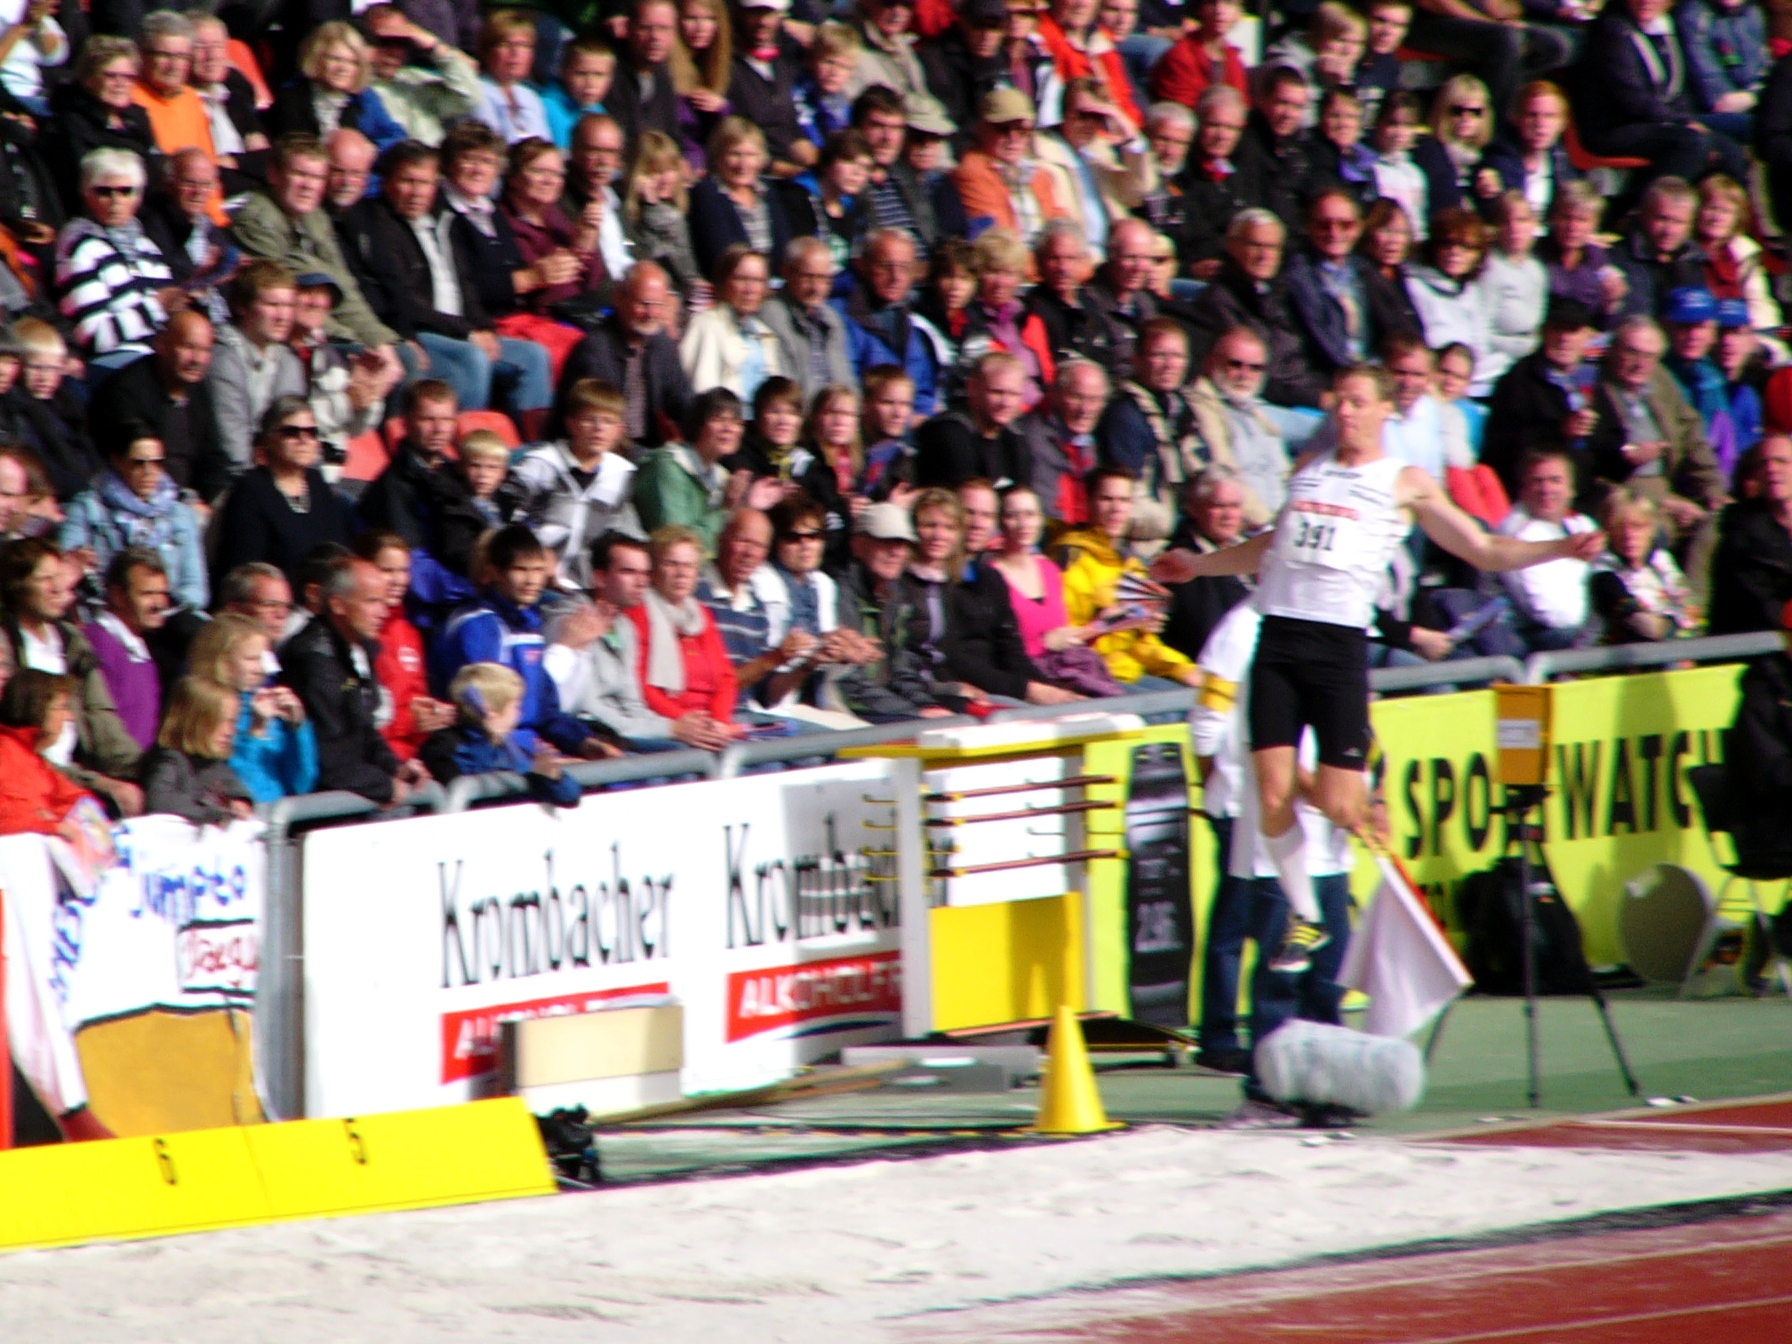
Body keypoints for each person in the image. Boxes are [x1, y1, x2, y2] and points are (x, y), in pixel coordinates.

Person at [1151, 364, 1604, 972]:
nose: (1344, 412)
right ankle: (1306, 916)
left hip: (1338, 649)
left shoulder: (1405, 481)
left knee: (1341, 806)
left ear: (1386, 410)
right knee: (1273, 793)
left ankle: (1375, 844)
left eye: (1358, 402)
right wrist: (1197, 567)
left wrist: (1560, 546)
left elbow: (1483, 549)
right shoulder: (1309, 472)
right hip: (1278, 637)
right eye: (1338, 401)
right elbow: (1268, 546)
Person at [344, 139, 553, 422]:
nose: (417, 192)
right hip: (424, 331)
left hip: (459, 328)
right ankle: (466, 445)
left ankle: (532, 443)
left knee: (534, 356)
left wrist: (483, 327)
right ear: (386, 182)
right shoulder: (379, 226)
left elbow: (465, 284)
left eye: (426, 183)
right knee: (472, 358)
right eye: (408, 181)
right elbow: (404, 301)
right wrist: (467, 332)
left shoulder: (444, 219)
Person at [231, 133, 403, 379]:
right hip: (287, 336)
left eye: (317, 177)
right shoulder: (258, 221)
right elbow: (288, 303)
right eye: (300, 175)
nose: (309, 185)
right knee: (371, 365)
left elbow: (345, 287)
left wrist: (379, 340)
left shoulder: (316, 217)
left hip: (326, 329)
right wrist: (356, 340)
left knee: (401, 357)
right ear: (274, 175)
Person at [545, 530, 734, 750]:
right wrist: (671, 729)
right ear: (600, 578)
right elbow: (585, 708)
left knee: (703, 748)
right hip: (581, 734)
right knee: (684, 754)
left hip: (618, 731)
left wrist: (681, 727)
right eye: (629, 572)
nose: (642, 582)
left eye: (645, 573)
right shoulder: (570, 620)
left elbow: (633, 705)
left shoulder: (624, 627)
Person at [1, 536, 145, 816]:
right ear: (18, 587)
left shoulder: (72, 642)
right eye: (45, 579)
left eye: (59, 577)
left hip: (75, 772)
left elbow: (101, 717)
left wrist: (144, 768)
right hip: (27, 777)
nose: (58, 589)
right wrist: (98, 783)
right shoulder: (5, 643)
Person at [1586, 314, 1728, 590]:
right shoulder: (1594, 386)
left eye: (1650, 356)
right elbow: (1593, 464)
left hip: (1666, 487)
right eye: (1633, 353)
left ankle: (1693, 610)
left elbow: (1691, 434)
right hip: (1621, 494)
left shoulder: (1660, 379)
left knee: (1721, 521)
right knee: (1660, 530)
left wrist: (1712, 488)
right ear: (1614, 350)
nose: (1641, 364)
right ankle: (1686, 611)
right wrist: (1663, 502)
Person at [281, 556, 431, 804]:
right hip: (318, 808)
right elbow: (330, 759)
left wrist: (396, 768)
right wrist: (384, 786)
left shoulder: (358, 647)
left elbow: (363, 729)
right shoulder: (313, 660)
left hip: (354, 794)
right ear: (338, 604)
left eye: (384, 602)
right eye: (372, 601)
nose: (383, 612)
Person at [1056, 465, 1204, 690]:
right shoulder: (1071, 558)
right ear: (1088, 503)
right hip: (1091, 674)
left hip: (1128, 669)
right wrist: (1105, 624)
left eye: (1124, 500)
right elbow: (1065, 640)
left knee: (1203, 698)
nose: (1116, 509)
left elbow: (1144, 644)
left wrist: (1184, 669)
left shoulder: (1132, 565)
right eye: (1107, 499)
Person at [1579, 0, 1749, 185]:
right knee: (1692, 143)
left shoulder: (1665, 29)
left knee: (1731, 151)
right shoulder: (1612, 31)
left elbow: (1677, 90)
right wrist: (1682, 122)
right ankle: (1647, 208)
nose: (1646, 2)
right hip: (1617, 127)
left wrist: (1685, 119)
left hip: (1660, 120)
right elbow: (1633, 99)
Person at [987, 481, 1122, 695]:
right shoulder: (991, 575)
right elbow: (995, 651)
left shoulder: (1049, 569)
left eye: (1030, 514)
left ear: (1041, 519)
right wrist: (1043, 644)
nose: (1024, 524)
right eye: (1014, 515)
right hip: (1029, 680)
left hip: (1068, 669)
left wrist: (1100, 625)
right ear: (1001, 522)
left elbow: (1064, 634)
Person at [1185, 209, 1323, 411]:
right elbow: (1250, 374)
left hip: (1304, 392)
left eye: (1272, 247)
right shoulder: (1217, 301)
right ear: (1232, 246)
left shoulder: (1283, 294)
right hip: (1261, 402)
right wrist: (1316, 398)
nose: (1264, 255)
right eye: (1256, 245)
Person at [210, 397, 356, 588]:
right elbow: (244, 570)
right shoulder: (250, 491)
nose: (303, 440)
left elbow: (339, 553)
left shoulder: (317, 484)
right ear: (269, 439)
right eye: (291, 432)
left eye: (311, 432)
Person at [514, 378, 643, 593]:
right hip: (533, 582)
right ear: (571, 424)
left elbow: (614, 532)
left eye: (608, 421)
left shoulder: (622, 474)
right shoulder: (541, 463)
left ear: (619, 430)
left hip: (586, 588)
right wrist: (536, 550)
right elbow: (505, 520)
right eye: (590, 419)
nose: (599, 428)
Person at [60, 428, 208, 612]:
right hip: (108, 614)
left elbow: (196, 588)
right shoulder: (87, 508)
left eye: (157, 463)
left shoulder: (181, 515)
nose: (149, 472)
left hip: (166, 618)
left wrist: (163, 609)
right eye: (139, 463)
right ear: (117, 461)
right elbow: (67, 572)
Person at [89, 312, 229, 503]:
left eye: (205, 350)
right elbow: (137, 468)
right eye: (188, 347)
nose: (197, 359)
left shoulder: (198, 390)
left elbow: (213, 457)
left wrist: (219, 502)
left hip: (193, 503)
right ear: (161, 345)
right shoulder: (127, 391)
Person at [55, 146, 177, 365]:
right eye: (104, 191)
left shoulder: (147, 247)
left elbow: (171, 311)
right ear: (87, 193)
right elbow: (92, 337)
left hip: (157, 359)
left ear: (138, 196)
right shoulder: (81, 247)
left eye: (125, 191)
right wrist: (155, 307)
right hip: (115, 364)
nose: (115, 200)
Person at [835, 502, 954, 721]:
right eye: (885, 542)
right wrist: (913, 713)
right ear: (857, 545)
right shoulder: (841, 596)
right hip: (850, 712)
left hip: (887, 705)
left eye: (903, 543)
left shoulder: (894, 594)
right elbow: (850, 684)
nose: (896, 551)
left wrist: (926, 704)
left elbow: (901, 669)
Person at [1285, 190, 1414, 392]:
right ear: (1309, 226)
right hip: (1328, 384)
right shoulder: (1296, 277)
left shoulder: (1367, 273)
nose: (1334, 233)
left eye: (1345, 225)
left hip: (1373, 379)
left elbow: (1399, 329)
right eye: (1324, 225)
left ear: (1359, 228)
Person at [184, 611, 318, 803]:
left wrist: (297, 728)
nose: (260, 668)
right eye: (250, 659)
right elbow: (238, 789)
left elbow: (301, 783)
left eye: (262, 659)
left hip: (279, 817)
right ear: (222, 660)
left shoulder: (262, 701)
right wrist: (255, 731)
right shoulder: (204, 705)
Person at [1095, 318, 1208, 546]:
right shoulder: (1125, 415)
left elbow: (1201, 467)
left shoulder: (1182, 409)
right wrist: (1173, 523)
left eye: (1177, 356)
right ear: (1137, 360)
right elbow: (1129, 500)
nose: (1169, 364)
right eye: (1159, 355)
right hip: (1143, 538)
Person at [354, 529, 453, 764]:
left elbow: (414, 699)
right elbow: (357, 718)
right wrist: (408, 722)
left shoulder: (409, 633)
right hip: (374, 761)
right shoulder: (356, 631)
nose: (398, 580)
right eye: (387, 570)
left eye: (404, 571)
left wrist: (431, 715)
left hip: (411, 759)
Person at [419, 661, 582, 804]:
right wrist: (486, 740)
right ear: (492, 711)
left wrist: (552, 777)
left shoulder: (513, 748)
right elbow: (462, 786)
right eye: (515, 706)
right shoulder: (442, 746)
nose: (520, 713)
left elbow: (570, 798)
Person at [208, 260, 308, 479]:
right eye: (272, 305)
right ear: (242, 307)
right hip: (232, 480)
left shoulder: (287, 361)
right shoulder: (224, 359)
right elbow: (233, 447)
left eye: (289, 306)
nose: (283, 316)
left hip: (278, 474)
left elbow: (294, 430)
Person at [1495, 448, 1599, 651]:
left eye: (1555, 480)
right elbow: (1552, 615)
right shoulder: (1519, 534)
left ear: (1571, 490)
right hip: (1538, 641)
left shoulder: (1582, 526)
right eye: (1537, 481)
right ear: (1523, 490)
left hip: (1578, 632)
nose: (1546, 489)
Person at [1186, 326, 1289, 528]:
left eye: (1255, 368)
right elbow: (1223, 475)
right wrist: (1270, 527)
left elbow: (1285, 473)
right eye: (1235, 365)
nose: (1245, 375)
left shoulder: (1257, 411)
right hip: (1247, 530)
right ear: (1210, 363)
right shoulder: (1200, 408)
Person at [838, 228, 944, 415]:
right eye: (885, 266)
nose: (895, 278)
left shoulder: (911, 322)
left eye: (904, 268)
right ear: (863, 265)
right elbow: (847, 386)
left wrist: (922, 416)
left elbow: (923, 389)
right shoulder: (840, 317)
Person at [633, 386, 745, 554]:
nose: (729, 428)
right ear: (698, 424)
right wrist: (725, 510)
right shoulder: (667, 465)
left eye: (736, 422)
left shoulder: (723, 478)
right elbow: (674, 543)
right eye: (719, 419)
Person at [81, 548, 171, 751]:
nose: (159, 604)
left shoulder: (139, 648)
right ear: (117, 595)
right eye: (147, 594)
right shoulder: (98, 644)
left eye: (163, 594)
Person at [950, 87, 1068, 243]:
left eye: (1022, 130)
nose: (1013, 138)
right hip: (1011, 262)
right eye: (1003, 129)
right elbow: (999, 240)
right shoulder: (972, 172)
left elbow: (1060, 225)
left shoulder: (1040, 175)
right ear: (981, 129)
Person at [268, 22, 406, 154]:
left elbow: (396, 137)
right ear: (317, 58)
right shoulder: (292, 98)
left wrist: (369, 149)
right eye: (335, 59)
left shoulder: (362, 99)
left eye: (352, 62)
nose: (342, 68)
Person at [363, 3, 483, 147]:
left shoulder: (416, 80)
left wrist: (434, 46)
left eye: (401, 42)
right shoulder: (357, 89)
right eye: (385, 42)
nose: (393, 52)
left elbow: (469, 98)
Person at [680, 245, 788, 403]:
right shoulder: (707, 325)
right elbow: (703, 393)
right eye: (742, 279)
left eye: (758, 281)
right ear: (724, 281)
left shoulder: (765, 334)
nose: (750, 289)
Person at [1589, 486, 1698, 643]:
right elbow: (1645, 627)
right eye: (1619, 526)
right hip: (1611, 660)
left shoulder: (1661, 561)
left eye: (1637, 526)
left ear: (1652, 529)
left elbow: (1692, 614)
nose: (1629, 535)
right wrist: (1675, 623)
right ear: (1607, 531)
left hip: (1668, 654)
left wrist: (1679, 624)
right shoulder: (1603, 574)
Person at [140, 675, 254, 823]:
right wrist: (214, 811)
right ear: (195, 722)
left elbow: (231, 784)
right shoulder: (168, 759)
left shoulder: (211, 761)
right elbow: (159, 801)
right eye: (221, 722)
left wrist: (240, 801)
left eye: (232, 722)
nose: (230, 731)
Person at [0, 670, 100, 838]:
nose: (70, 717)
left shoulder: (38, 761)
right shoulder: (5, 753)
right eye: (63, 707)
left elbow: (84, 803)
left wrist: (54, 817)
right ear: (39, 710)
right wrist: (49, 824)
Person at [1708, 434, 1792, 634]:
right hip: (1755, 650)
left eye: (1781, 461)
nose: (1771, 468)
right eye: (1764, 464)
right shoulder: (1742, 534)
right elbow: (1764, 606)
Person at [914, 350, 1032, 488]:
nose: (1005, 403)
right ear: (972, 388)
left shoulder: (1015, 438)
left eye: (1013, 394)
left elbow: (1021, 493)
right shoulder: (950, 432)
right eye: (997, 392)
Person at [763, 239, 858, 405]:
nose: (816, 288)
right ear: (786, 272)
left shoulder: (832, 318)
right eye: (808, 277)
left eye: (823, 278)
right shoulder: (772, 314)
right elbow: (784, 384)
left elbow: (845, 379)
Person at [1015, 355, 1106, 525]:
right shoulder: (1028, 437)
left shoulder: (1088, 441)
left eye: (1094, 400)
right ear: (1054, 394)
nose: (1085, 409)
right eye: (1076, 397)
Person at [1612, 177, 1710, 322]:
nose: (1669, 231)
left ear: (1690, 225)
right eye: (1662, 219)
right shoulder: (1617, 257)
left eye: (1678, 222)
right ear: (1643, 215)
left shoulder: (1695, 261)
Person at [608, 0, 682, 157]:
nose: (655, 37)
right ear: (628, 28)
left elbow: (673, 136)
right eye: (645, 28)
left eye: (663, 29)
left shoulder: (663, 76)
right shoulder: (610, 73)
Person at [471, 9, 551, 144]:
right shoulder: (476, 92)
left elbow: (545, 146)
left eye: (523, 45)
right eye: (505, 44)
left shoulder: (531, 97)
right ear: (486, 51)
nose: (515, 53)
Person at [669, 0, 732, 169]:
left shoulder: (719, 68)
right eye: (691, 18)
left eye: (710, 19)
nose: (700, 27)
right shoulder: (665, 69)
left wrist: (721, 109)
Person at [543, 36, 617, 151]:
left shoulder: (600, 113)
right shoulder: (545, 108)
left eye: (599, 75)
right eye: (581, 73)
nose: (590, 83)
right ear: (563, 71)